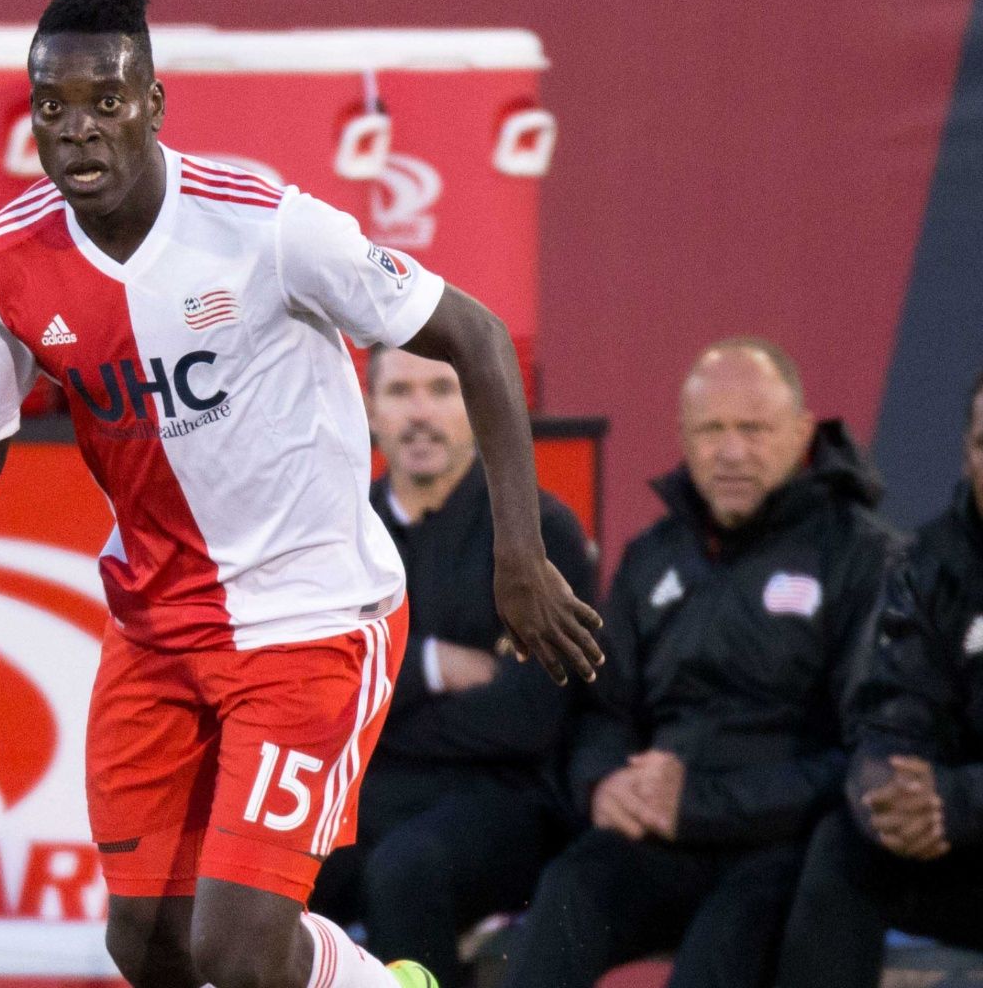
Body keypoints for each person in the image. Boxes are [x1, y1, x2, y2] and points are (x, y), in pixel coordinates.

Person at [0, 0, 604, 986]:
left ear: (153, 104)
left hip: (311, 620)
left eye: (105, 102)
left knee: (237, 950)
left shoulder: (267, 227)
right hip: (155, 632)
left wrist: (517, 554)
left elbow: (477, 337)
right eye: (52, 106)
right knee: (147, 943)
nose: (77, 128)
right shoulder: (0, 266)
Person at [502, 338, 902, 988]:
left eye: (754, 429)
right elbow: (603, 709)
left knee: (719, 953)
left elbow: (867, 754)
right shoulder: (652, 555)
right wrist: (603, 784)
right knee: (570, 891)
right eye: (712, 430)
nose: (732, 452)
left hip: (783, 845)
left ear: (802, 432)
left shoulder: (863, 557)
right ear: (684, 437)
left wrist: (702, 802)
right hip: (661, 836)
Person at [309, 346, 597, 985]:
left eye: (442, 390)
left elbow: (528, 717)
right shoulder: (334, 537)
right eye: (400, 392)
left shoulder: (539, 532)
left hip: (507, 799)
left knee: (406, 870)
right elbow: (315, 695)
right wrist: (433, 667)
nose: (420, 413)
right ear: (368, 410)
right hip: (370, 793)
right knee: (270, 872)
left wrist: (381, 703)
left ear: (478, 407)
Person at [773, 369, 983, 986]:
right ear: (967, 455)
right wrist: (891, 790)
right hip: (955, 841)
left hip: (964, 811)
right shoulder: (929, 563)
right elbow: (890, 711)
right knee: (843, 847)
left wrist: (957, 800)